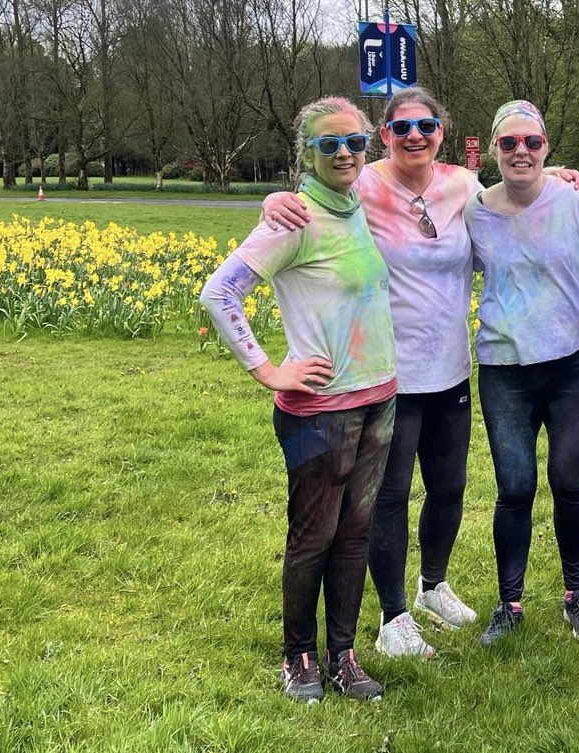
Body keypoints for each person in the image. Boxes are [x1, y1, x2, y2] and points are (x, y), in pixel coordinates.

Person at [264, 88, 579, 660]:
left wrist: (558, 171)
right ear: (384, 135)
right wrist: (275, 199)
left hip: (452, 369)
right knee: (388, 496)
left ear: (442, 131)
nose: (415, 136)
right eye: (401, 128)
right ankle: (393, 616)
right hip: (387, 373)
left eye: (427, 126)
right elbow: (310, 198)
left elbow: (518, 186)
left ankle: (432, 586)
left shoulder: (463, 186)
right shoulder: (362, 184)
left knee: (449, 488)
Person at [200, 96, 394, 701]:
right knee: (314, 535)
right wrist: (268, 370)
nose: (343, 152)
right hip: (321, 411)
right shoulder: (294, 219)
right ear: (304, 153)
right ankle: (299, 657)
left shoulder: (357, 202)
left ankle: (344, 655)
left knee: (356, 532)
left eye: (354, 142)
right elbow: (219, 293)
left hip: (379, 399)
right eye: (328, 144)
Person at [466, 99, 579, 647]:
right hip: (505, 368)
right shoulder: (475, 212)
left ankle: (575, 594)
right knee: (515, 488)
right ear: (494, 150)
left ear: (546, 148)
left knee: (568, 483)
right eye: (508, 143)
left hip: (574, 365)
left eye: (531, 142)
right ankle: (509, 604)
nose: (520, 152)